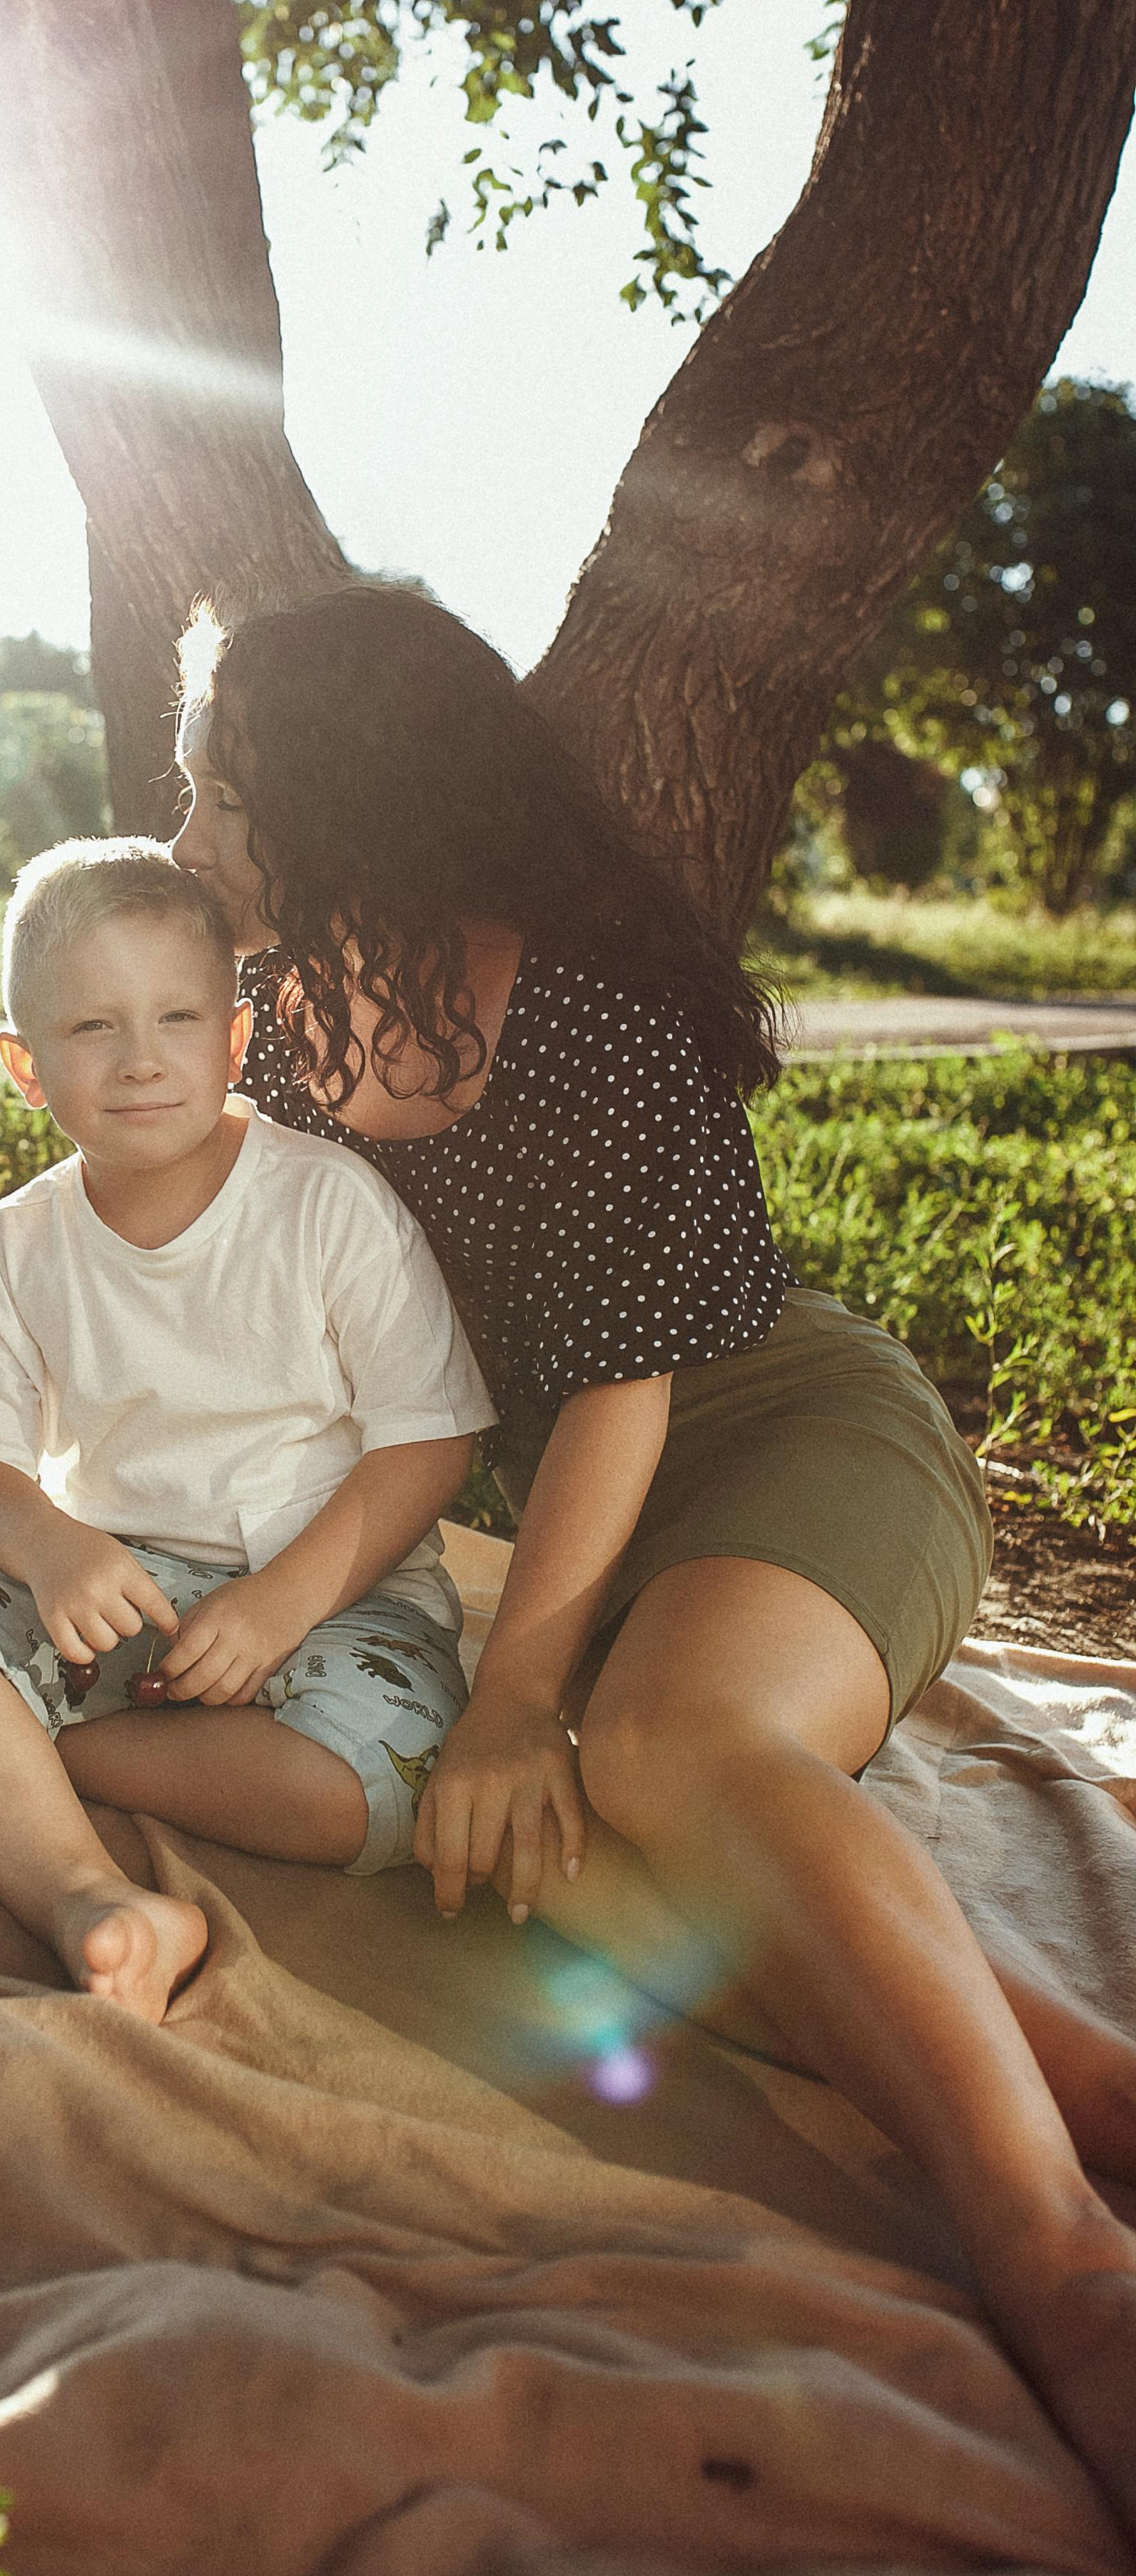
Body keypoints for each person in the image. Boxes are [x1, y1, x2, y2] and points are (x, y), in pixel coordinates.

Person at [169, 579, 1136, 2535]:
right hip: (558, 1518)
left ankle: (1058, 2258)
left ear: (344, 805)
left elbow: (623, 1388)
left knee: (657, 1747)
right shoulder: (265, 1040)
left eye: (218, 798)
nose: (181, 835)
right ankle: (1099, 2098)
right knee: (511, 1848)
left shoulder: (582, 1023)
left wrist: (515, 1690)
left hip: (781, 1438)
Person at [0, 836, 493, 2022]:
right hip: (108, 1601)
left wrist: (282, 1603)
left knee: (377, 1788)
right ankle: (89, 1898)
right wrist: (50, 1546)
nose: (139, 1060)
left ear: (235, 1041)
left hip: (334, 1599)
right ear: (26, 1067)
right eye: (92, 1028)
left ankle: (20, 1751)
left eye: (177, 1019)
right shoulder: (12, 1248)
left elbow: (430, 1441)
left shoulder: (327, 1205)